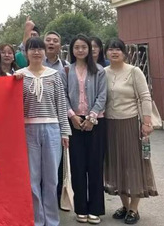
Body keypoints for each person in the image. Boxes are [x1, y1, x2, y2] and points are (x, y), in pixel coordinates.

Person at [15, 37, 70, 226]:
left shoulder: (54, 75)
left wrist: (65, 132)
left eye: (40, 49)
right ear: (26, 53)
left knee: (51, 178)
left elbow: (61, 104)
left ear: (45, 52)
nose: (36, 52)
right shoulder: (19, 76)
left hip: (52, 129)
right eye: (32, 49)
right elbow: (14, 106)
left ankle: (52, 220)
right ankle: (37, 220)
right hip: (28, 130)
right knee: (32, 178)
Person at [104, 38, 158, 225]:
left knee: (133, 164)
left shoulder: (134, 71)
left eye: (118, 49)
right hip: (110, 124)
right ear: (106, 53)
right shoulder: (103, 72)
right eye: (111, 49)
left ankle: (134, 208)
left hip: (130, 123)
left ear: (124, 53)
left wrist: (147, 122)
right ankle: (125, 205)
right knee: (117, 164)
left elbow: (145, 96)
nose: (114, 52)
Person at [62, 34, 107, 224]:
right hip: (74, 122)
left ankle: (95, 209)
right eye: (77, 47)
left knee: (95, 166)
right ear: (72, 50)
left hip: (96, 122)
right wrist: (72, 115)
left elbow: (103, 96)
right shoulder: (66, 70)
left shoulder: (99, 70)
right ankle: (81, 208)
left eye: (84, 47)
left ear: (89, 49)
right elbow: (63, 96)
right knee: (78, 166)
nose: (80, 50)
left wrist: (91, 118)